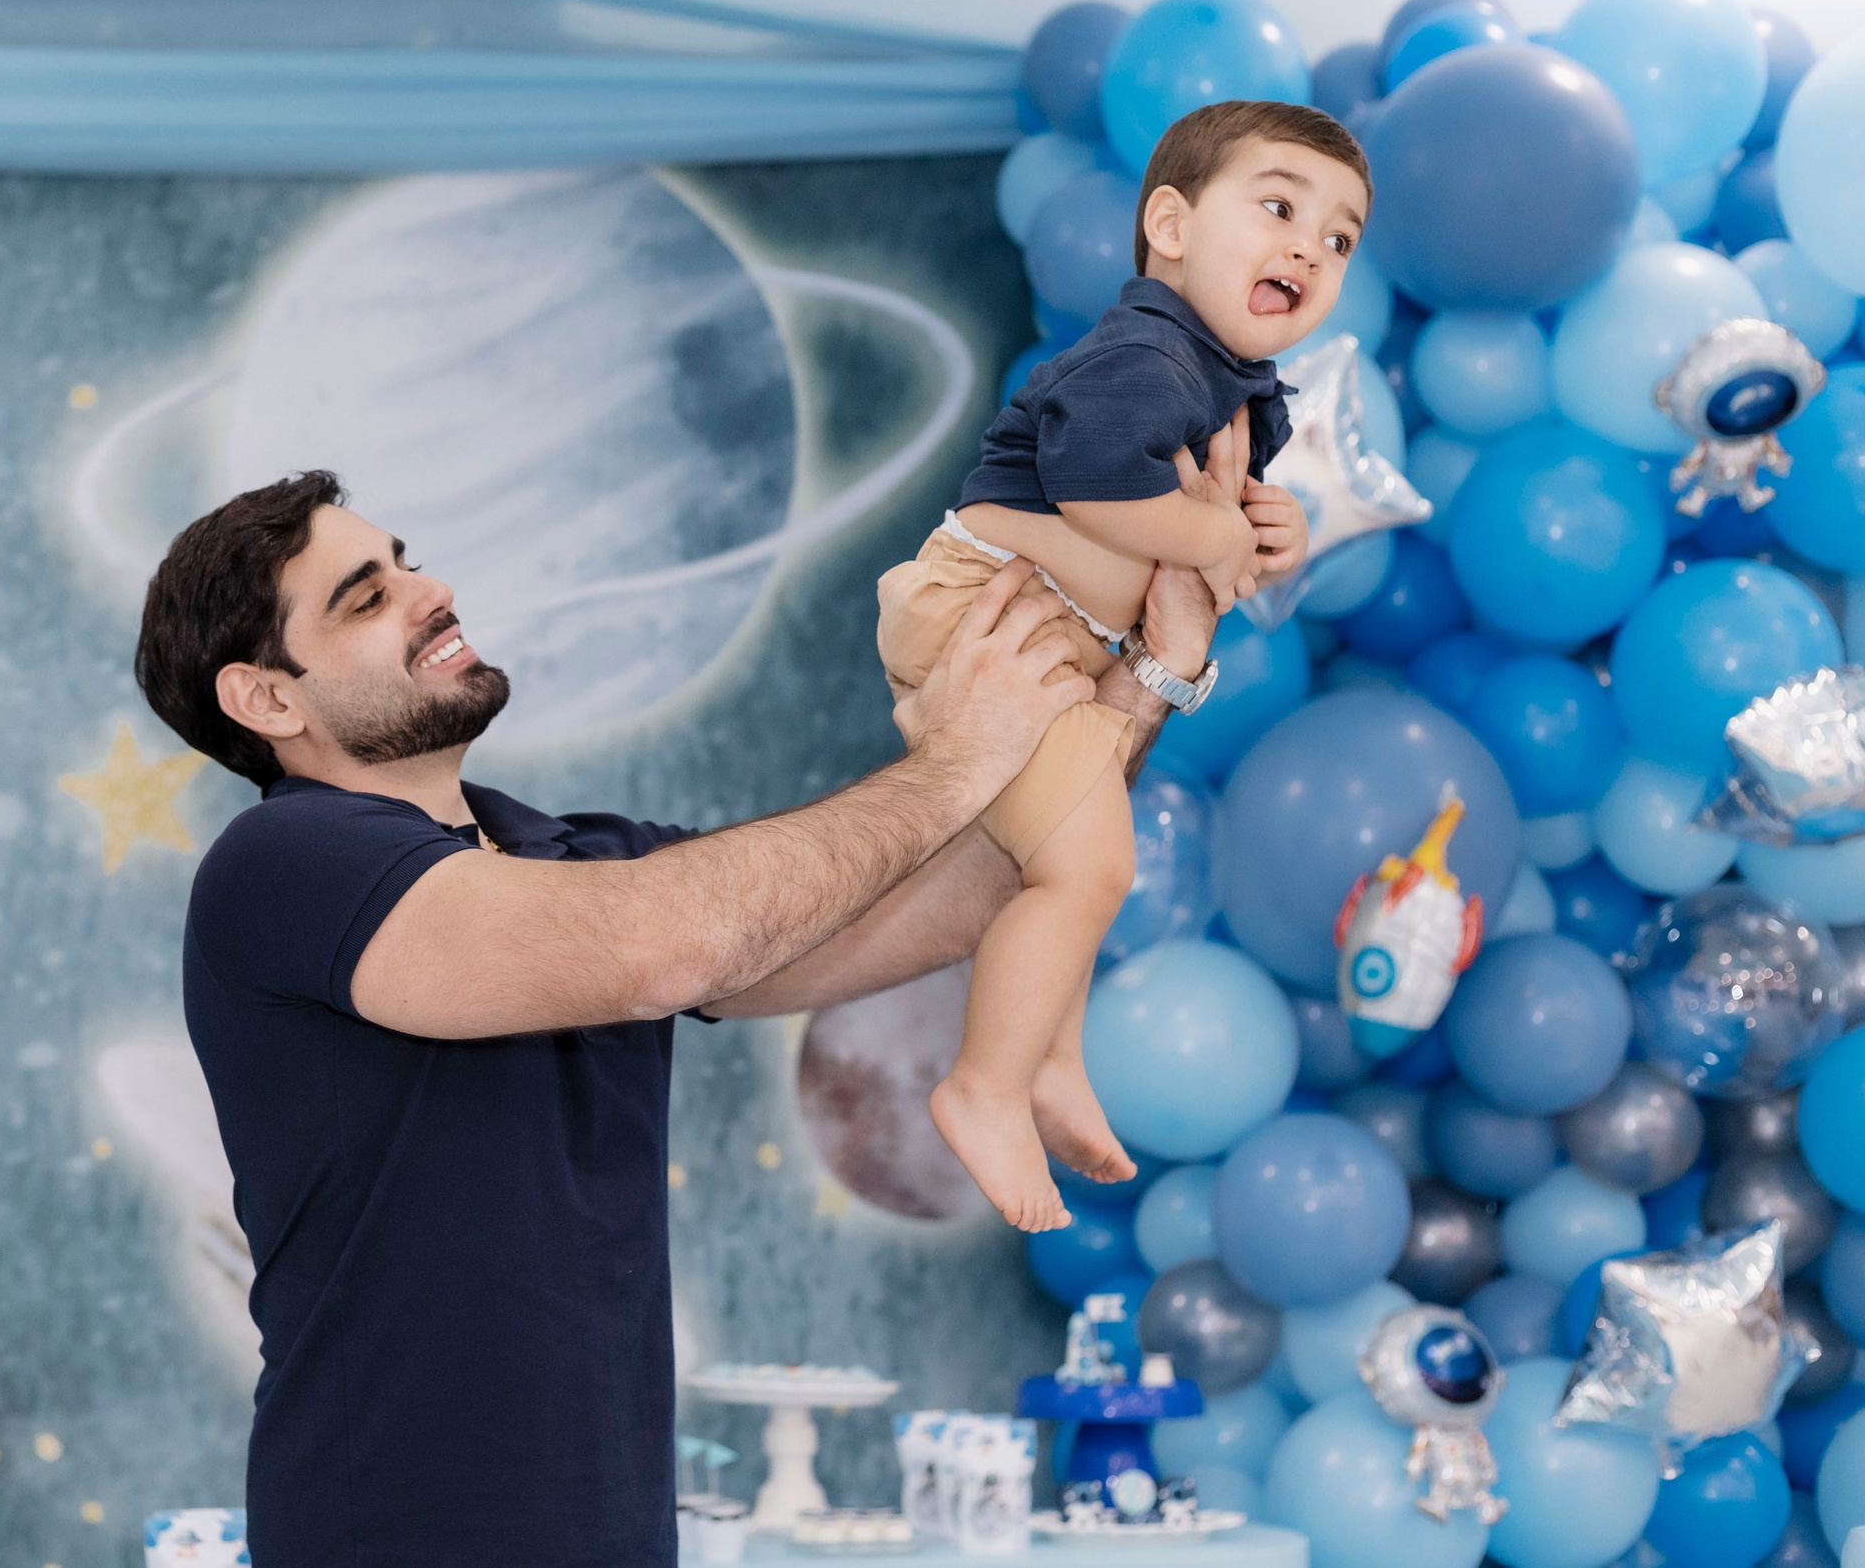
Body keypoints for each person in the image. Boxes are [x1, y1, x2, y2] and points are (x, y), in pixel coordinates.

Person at [133, 453, 1235, 1567]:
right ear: (267, 697)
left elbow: (968, 888)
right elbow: (658, 947)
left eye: (406, 563)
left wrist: (1154, 664)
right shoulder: (281, 862)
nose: (433, 591)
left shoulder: (576, 860)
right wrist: (958, 758)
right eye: (366, 597)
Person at [874, 100, 1365, 1232]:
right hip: (983, 610)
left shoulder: (1230, 384)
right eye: (1280, 207)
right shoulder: (1145, 353)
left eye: (1338, 239)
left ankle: (1047, 1059)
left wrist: (1266, 525)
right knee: (1087, 868)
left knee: (1085, 865)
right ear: (1171, 226)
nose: (1308, 247)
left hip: (1068, 643)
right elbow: (1099, 487)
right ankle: (984, 1082)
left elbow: (1219, 525)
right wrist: (1213, 540)